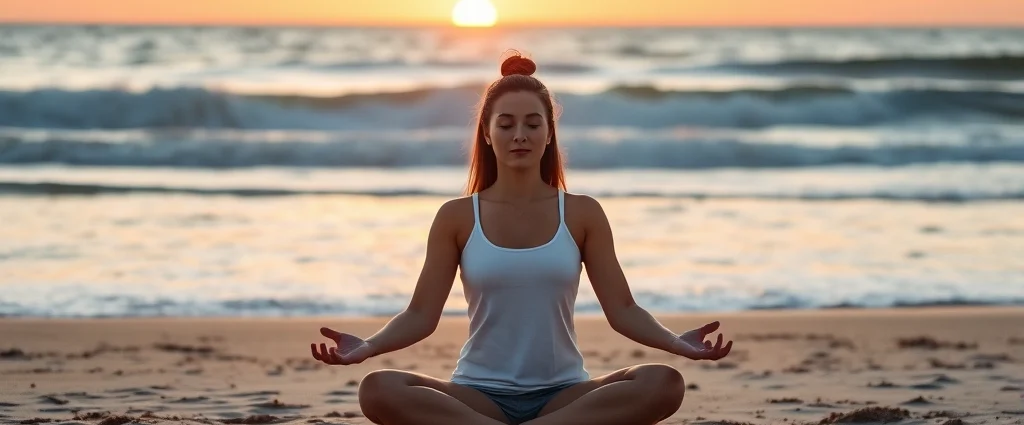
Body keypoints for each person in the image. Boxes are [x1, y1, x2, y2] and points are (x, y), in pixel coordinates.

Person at [310, 49, 734, 425]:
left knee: (663, 382)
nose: (519, 135)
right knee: (378, 389)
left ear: (549, 133)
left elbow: (623, 309)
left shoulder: (582, 213)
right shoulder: (456, 217)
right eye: (506, 124)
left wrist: (677, 343)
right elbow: (421, 315)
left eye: (533, 124)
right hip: (476, 398)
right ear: (487, 132)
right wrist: (367, 347)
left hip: (565, 397)